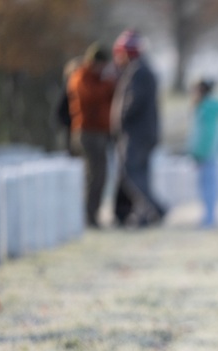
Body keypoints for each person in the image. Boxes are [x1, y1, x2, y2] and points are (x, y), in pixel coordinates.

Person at [110, 29, 166, 227]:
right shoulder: (143, 70)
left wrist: (120, 118)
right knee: (140, 174)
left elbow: (133, 101)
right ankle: (145, 214)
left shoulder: (138, 72)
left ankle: (155, 208)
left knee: (131, 173)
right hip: (144, 133)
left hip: (136, 133)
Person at [67, 43, 117, 228]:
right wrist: (109, 84)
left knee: (100, 175)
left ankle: (93, 213)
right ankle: (88, 215)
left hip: (99, 132)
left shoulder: (97, 78)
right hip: (87, 131)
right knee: (94, 175)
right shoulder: (81, 77)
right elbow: (91, 96)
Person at [187, 78, 218, 228]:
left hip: (206, 154)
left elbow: (204, 136)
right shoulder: (207, 108)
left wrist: (197, 153)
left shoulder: (205, 110)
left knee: (208, 187)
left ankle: (209, 220)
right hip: (208, 153)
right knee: (208, 187)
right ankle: (208, 218)